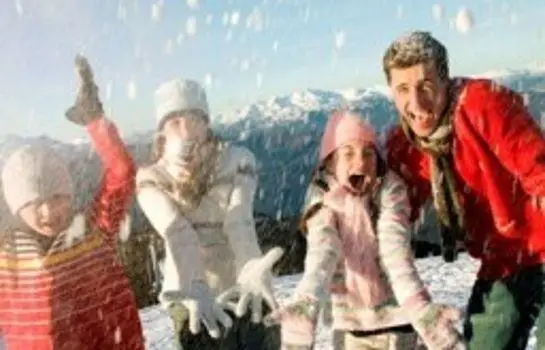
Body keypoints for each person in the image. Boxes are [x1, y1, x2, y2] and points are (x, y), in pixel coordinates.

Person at [384, 30, 545, 349]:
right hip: (502, 261)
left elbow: (539, 170)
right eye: (403, 89)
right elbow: (393, 216)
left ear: (445, 80)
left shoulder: (483, 104)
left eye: (425, 85)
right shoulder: (404, 146)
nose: (415, 103)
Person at [265, 110, 465, 349]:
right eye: (348, 153)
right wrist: (307, 297)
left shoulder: (390, 191)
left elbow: (395, 253)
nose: (360, 162)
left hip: (400, 324)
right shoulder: (322, 201)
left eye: (368, 153)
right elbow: (323, 251)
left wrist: (420, 308)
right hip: (351, 333)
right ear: (330, 162)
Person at [0, 56, 144, 349]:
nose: (49, 211)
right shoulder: (6, 256)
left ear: (70, 195)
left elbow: (122, 172)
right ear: (16, 208)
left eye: (57, 197)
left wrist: (94, 118)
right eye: (33, 202)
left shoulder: (93, 228)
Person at [136, 78, 282, 349]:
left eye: (194, 119)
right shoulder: (151, 179)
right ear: (162, 132)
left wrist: (250, 266)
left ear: (207, 124)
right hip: (191, 299)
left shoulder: (238, 160)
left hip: (246, 288)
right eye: (175, 122)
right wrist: (195, 283)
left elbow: (239, 221)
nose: (186, 131)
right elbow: (178, 233)